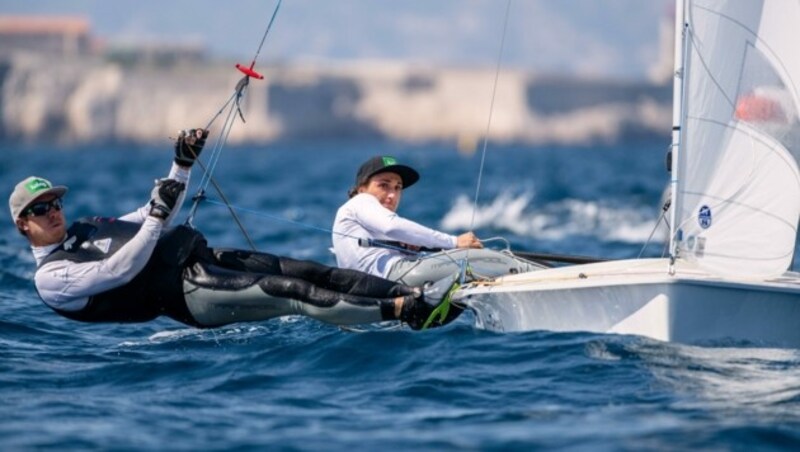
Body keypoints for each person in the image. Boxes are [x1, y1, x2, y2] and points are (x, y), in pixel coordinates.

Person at [10, 130, 456, 330]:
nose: (53, 212)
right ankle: (406, 312)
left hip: (200, 258)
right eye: (40, 209)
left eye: (54, 202)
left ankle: (414, 296)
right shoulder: (51, 279)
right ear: (22, 225)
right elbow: (121, 269)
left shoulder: (87, 228)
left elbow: (153, 206)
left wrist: (181, 164)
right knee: (289, 291)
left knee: (309, 271)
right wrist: (156, 218)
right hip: (190, 296)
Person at [332, 156, 544, 286]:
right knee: (486, 258)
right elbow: (392, 225)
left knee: (482, 262)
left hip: (382, 284)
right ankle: (551, 277)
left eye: (398, 188)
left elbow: (379, 244)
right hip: (395, 277)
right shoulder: (360, 201)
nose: (392, 195)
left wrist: (408, 248)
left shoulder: (362, 217)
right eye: (384, 185)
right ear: (362, 188)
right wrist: (453, 242)